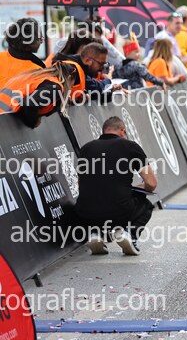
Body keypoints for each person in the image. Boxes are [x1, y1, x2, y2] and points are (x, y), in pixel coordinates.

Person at [75, 116, 157, 255]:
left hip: (85, 212)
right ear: (122, 131)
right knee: (146, 205)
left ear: (104, 131)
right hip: (119, 211)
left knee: (95, 200)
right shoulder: (130, 146)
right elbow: (151, 183)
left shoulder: (86, 149)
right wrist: (142, 189)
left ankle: (95, 233)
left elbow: (81, 184)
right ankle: (129, 234)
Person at [0, 62, 80, 128]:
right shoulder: (55, 87)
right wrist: (33, 122)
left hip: (4, 115)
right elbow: (28, 104)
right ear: (69, 78)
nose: (70, 88)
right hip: (5, 123)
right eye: (72, 84)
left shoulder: (37, 75)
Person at [0, 18, 46, 88]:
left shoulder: (1, 57)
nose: (41, 42)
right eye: (39, 39)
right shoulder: (37, 72)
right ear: (28, 45)